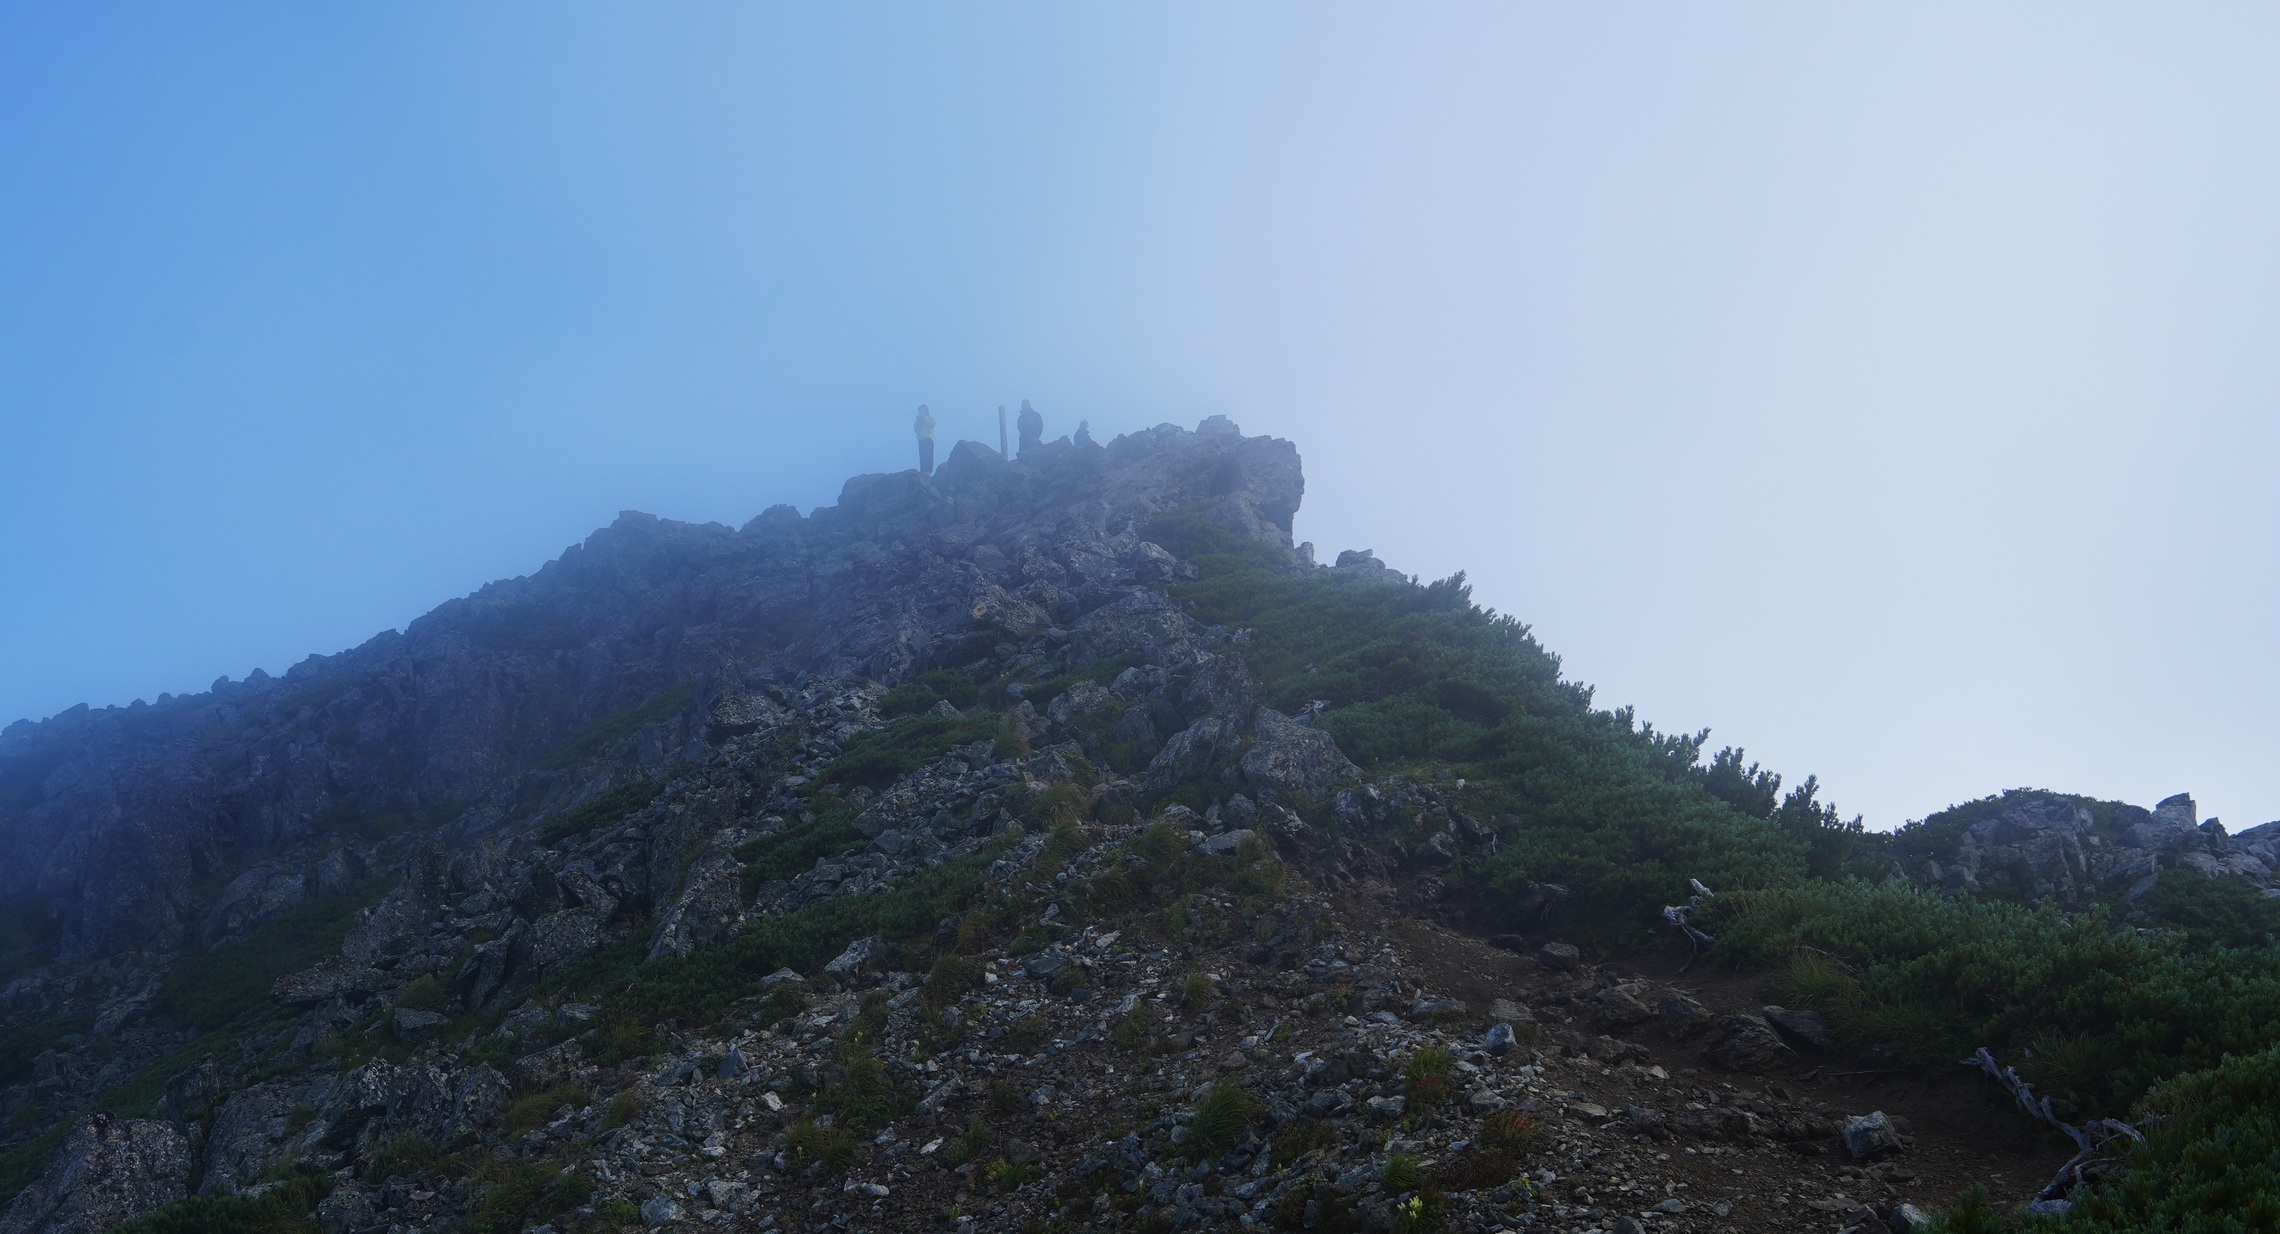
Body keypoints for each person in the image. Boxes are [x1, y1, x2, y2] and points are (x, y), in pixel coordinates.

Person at [913, 404, 937, 476]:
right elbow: (915, 430)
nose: (920, 412)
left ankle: (928, 471)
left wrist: (924, 418)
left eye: (922, 411)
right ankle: (922, 470)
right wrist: (918, 422)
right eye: (919, 411)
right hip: (921, 440)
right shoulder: (920, 420)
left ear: (926, 410)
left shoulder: (931, 418)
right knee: (922, 455)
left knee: (928, 455)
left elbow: (931, 424)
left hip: (928, 439)